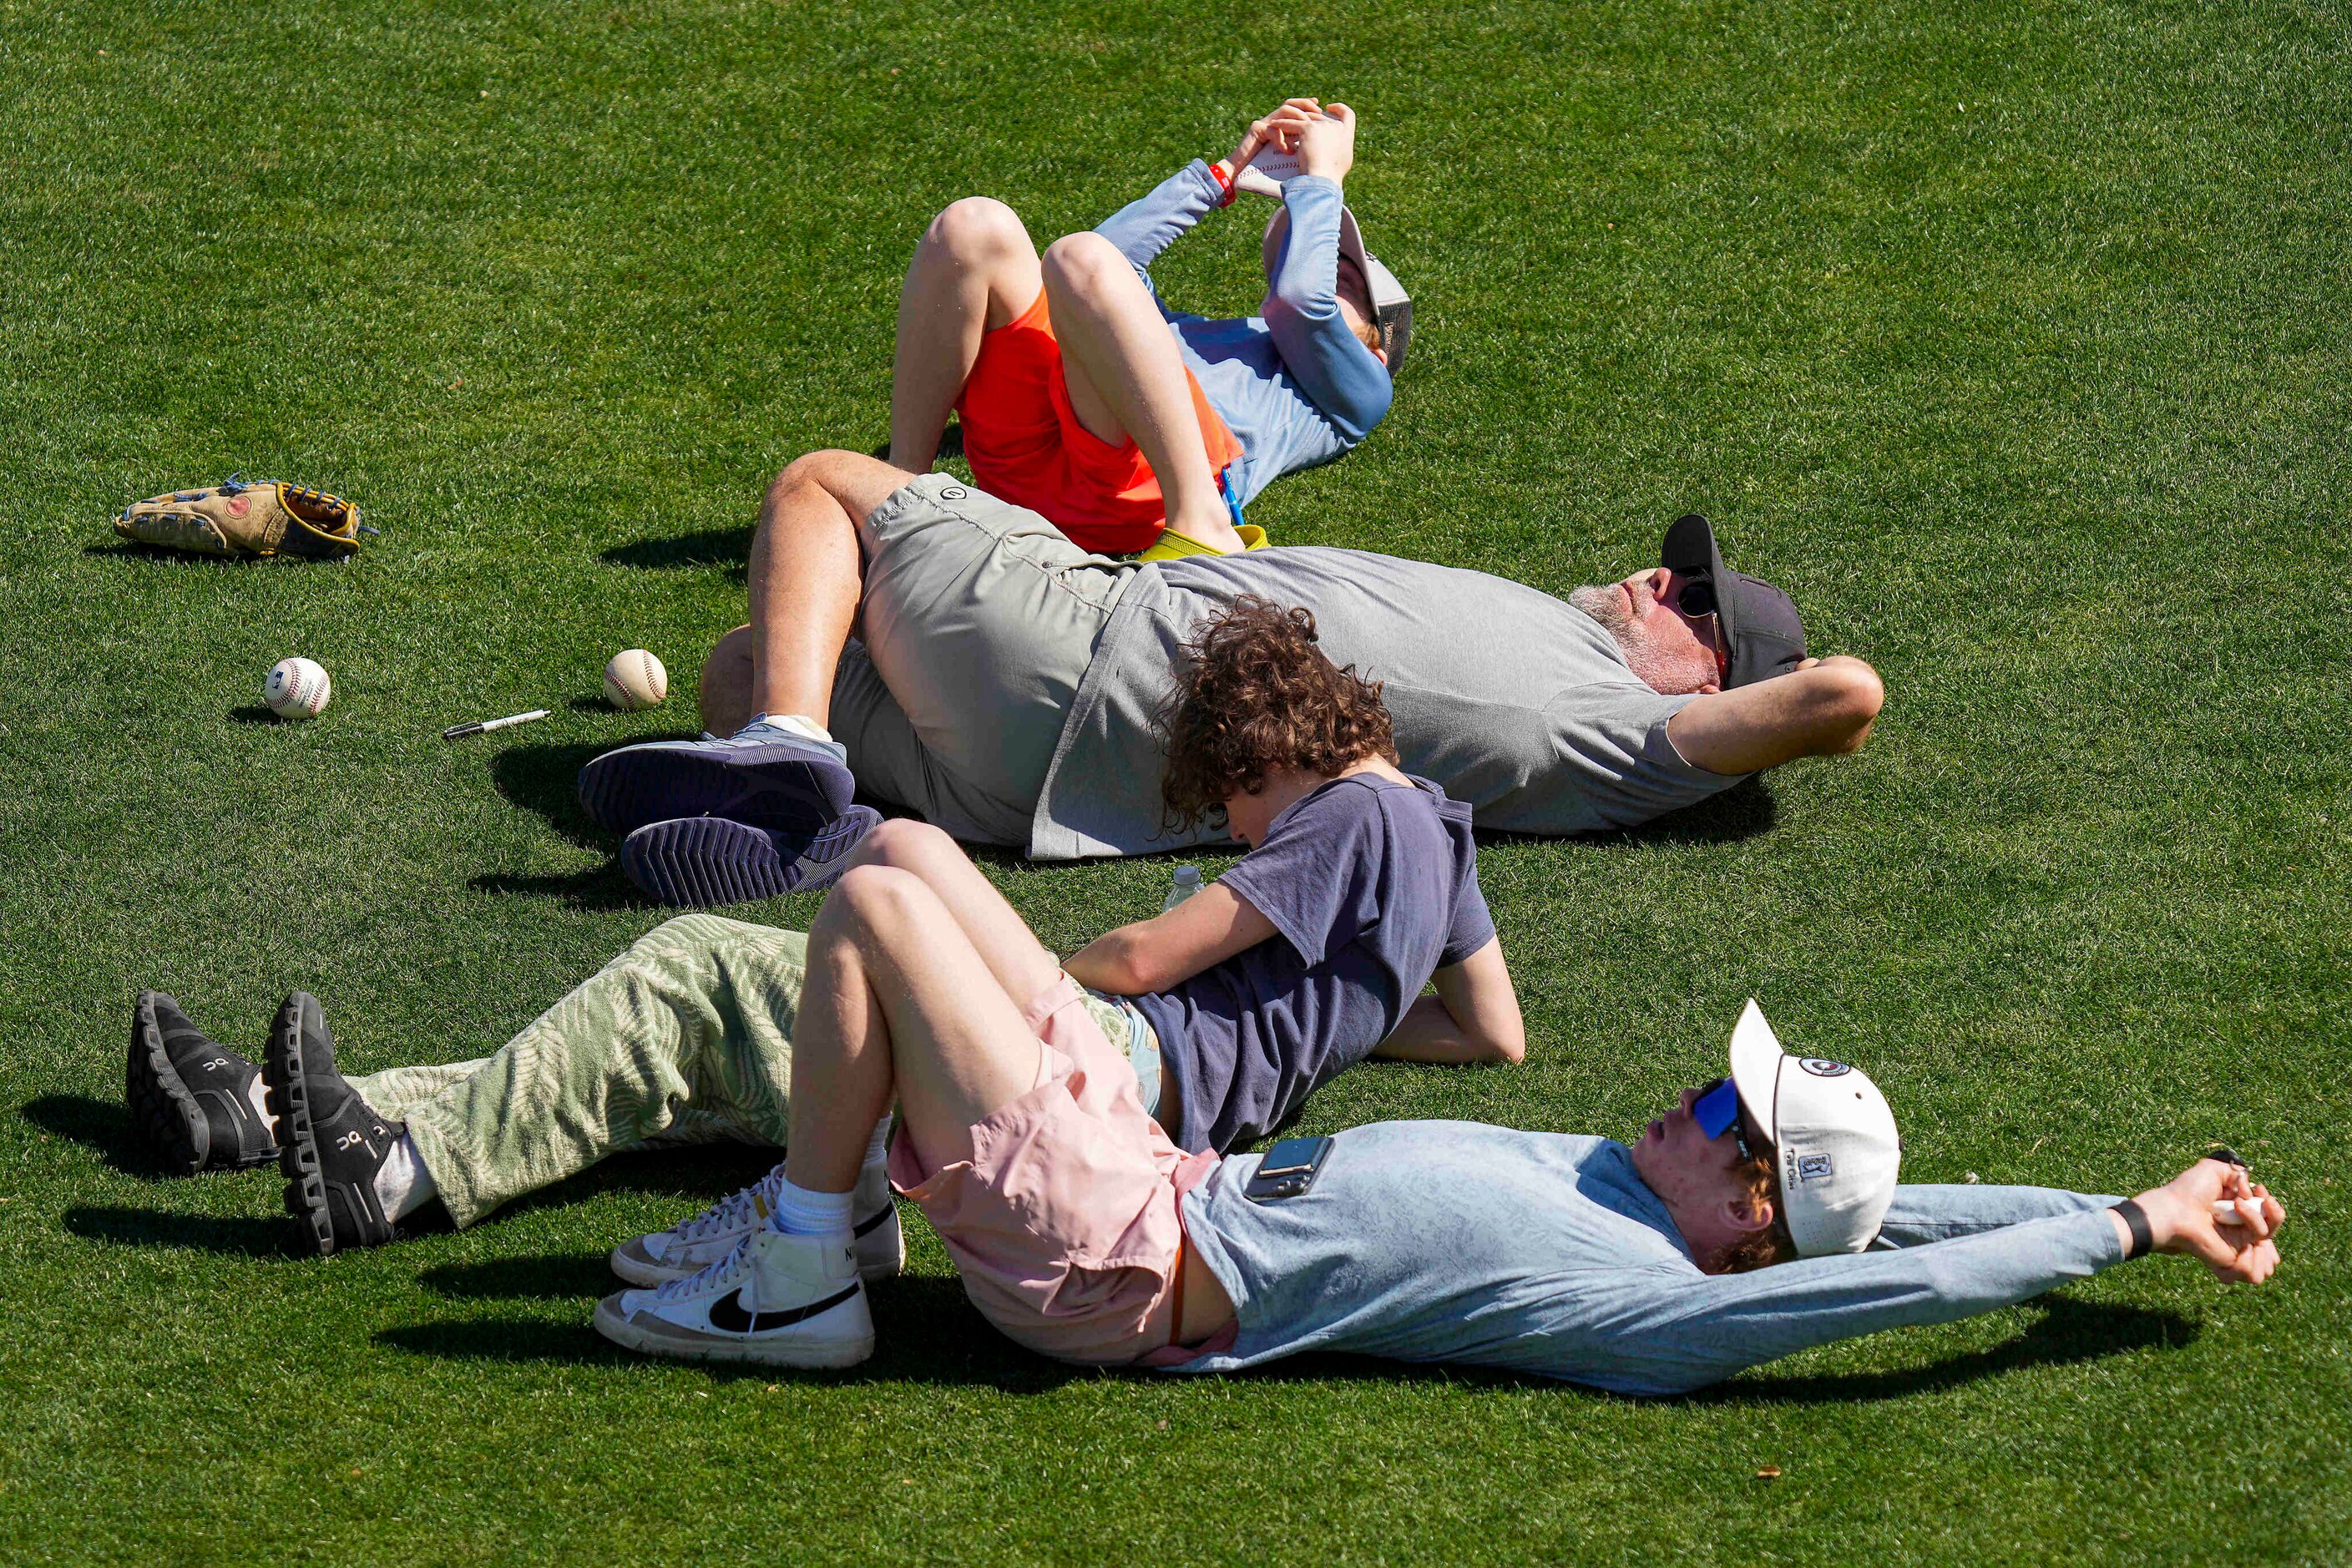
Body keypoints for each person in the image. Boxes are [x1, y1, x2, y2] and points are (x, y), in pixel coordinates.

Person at [126, 601, 1520, 1264]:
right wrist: (1316, 1023)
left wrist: (1044, 967)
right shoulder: (1442, 847)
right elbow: (1486, 1032)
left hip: (1113, 1055)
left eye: (1237, 798)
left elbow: (1155, 961)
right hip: (1152, 1101)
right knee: (712, 1064)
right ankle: (259, 1117)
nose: (1240, 825)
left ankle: (399, 1171)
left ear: (1281, 747)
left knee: (690, 973)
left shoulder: (1348, 813)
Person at [595, 955, 2289, 1390]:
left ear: (1751, 1205)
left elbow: (1891, 1269)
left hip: (1110, 1268)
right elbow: (1898, 1211)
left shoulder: (1642, 1304)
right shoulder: (1646, 1194)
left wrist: (2127, 1231)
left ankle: (811, 1272)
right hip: (1154, 1168)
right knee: (902, 863)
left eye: (1723, 1106)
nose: (1690, 1095)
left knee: (880, 916)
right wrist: (2132, 1204)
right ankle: (830, 1229)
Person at [575, 452, 1882, 904]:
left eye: (1691, 599)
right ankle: (811, 804)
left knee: (823, 487)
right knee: (737, 662)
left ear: (1711, 678)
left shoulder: (1630, 740)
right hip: (1024, 802)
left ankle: (794, 758)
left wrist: (1794, 682)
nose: (1657, 579)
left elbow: (1847, 699)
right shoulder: (1573, 658)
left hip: (1084, 648)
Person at [890, 97, 1400, 559]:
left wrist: (1324, 180)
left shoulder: (1360, 395)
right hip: (1027, 459)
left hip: (1128, 493)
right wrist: (1225, 172)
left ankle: (1200, 523)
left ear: (1378, 349)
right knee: (974, 226)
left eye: (1346, 280)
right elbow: (1102, 260)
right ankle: (898, 495)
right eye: (1319, 258)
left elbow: (1301, 301)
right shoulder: (1200, 334)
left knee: (1080, 256)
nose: (1325, 269)